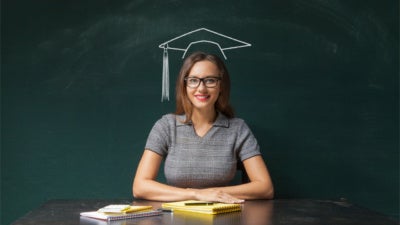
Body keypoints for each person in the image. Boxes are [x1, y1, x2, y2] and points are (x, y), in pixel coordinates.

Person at [133, 52, 274, 203]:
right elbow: (140, 187)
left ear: (221, 86)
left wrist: (213, 194)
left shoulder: (237, 128)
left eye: (210, 80)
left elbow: (265, 187)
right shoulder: (166, 126)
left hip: (223, 216)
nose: (201, 88)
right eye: (193, 80)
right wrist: (196, 194)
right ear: (184, 85)